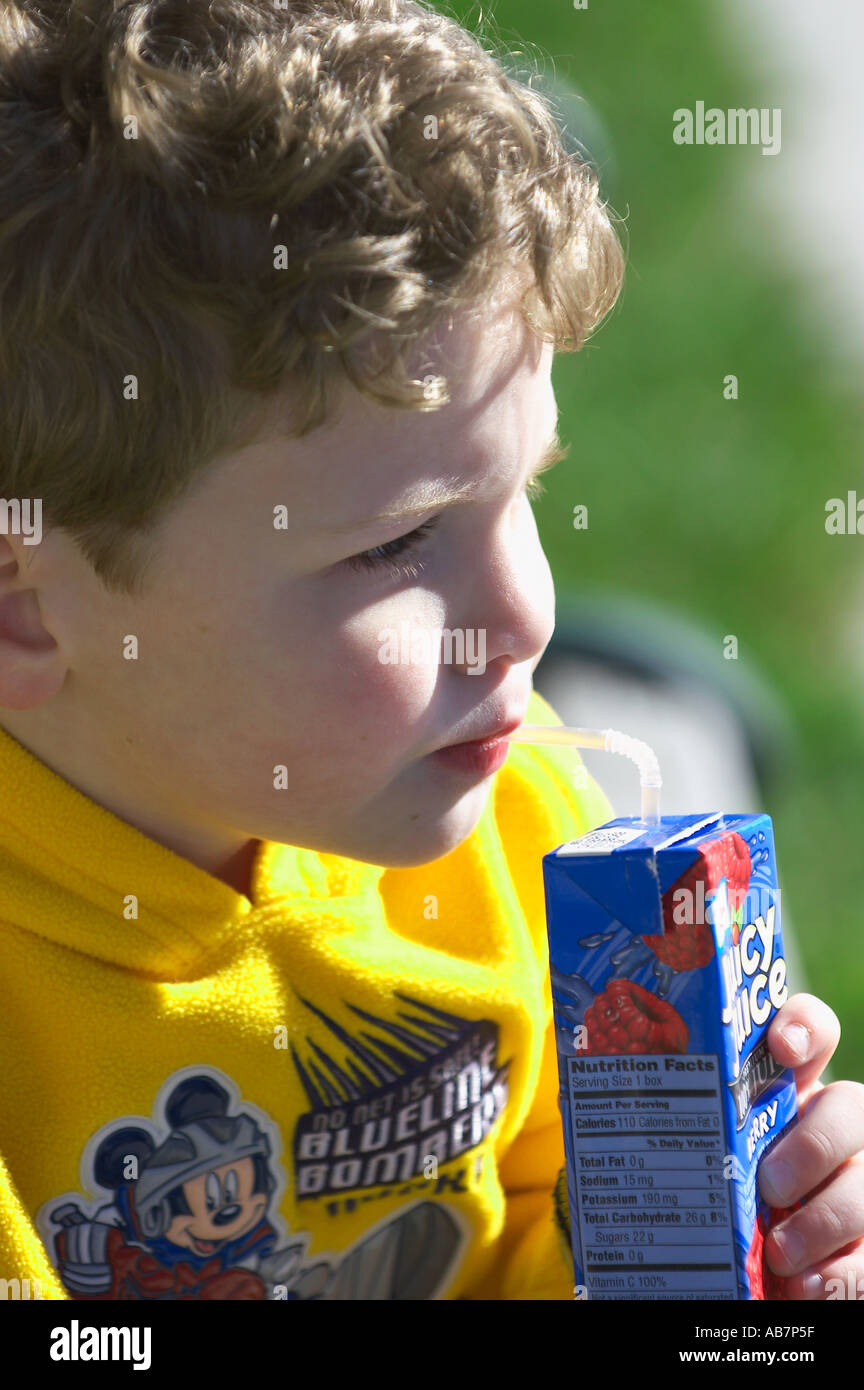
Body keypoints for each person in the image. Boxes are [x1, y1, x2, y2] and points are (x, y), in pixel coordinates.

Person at [0, 0, 861, 1301]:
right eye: (394, 545)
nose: (524, 615)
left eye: (526, 491)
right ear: (27, 601)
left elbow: (527, 1244)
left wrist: (721, 1254)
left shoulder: (522, 830)